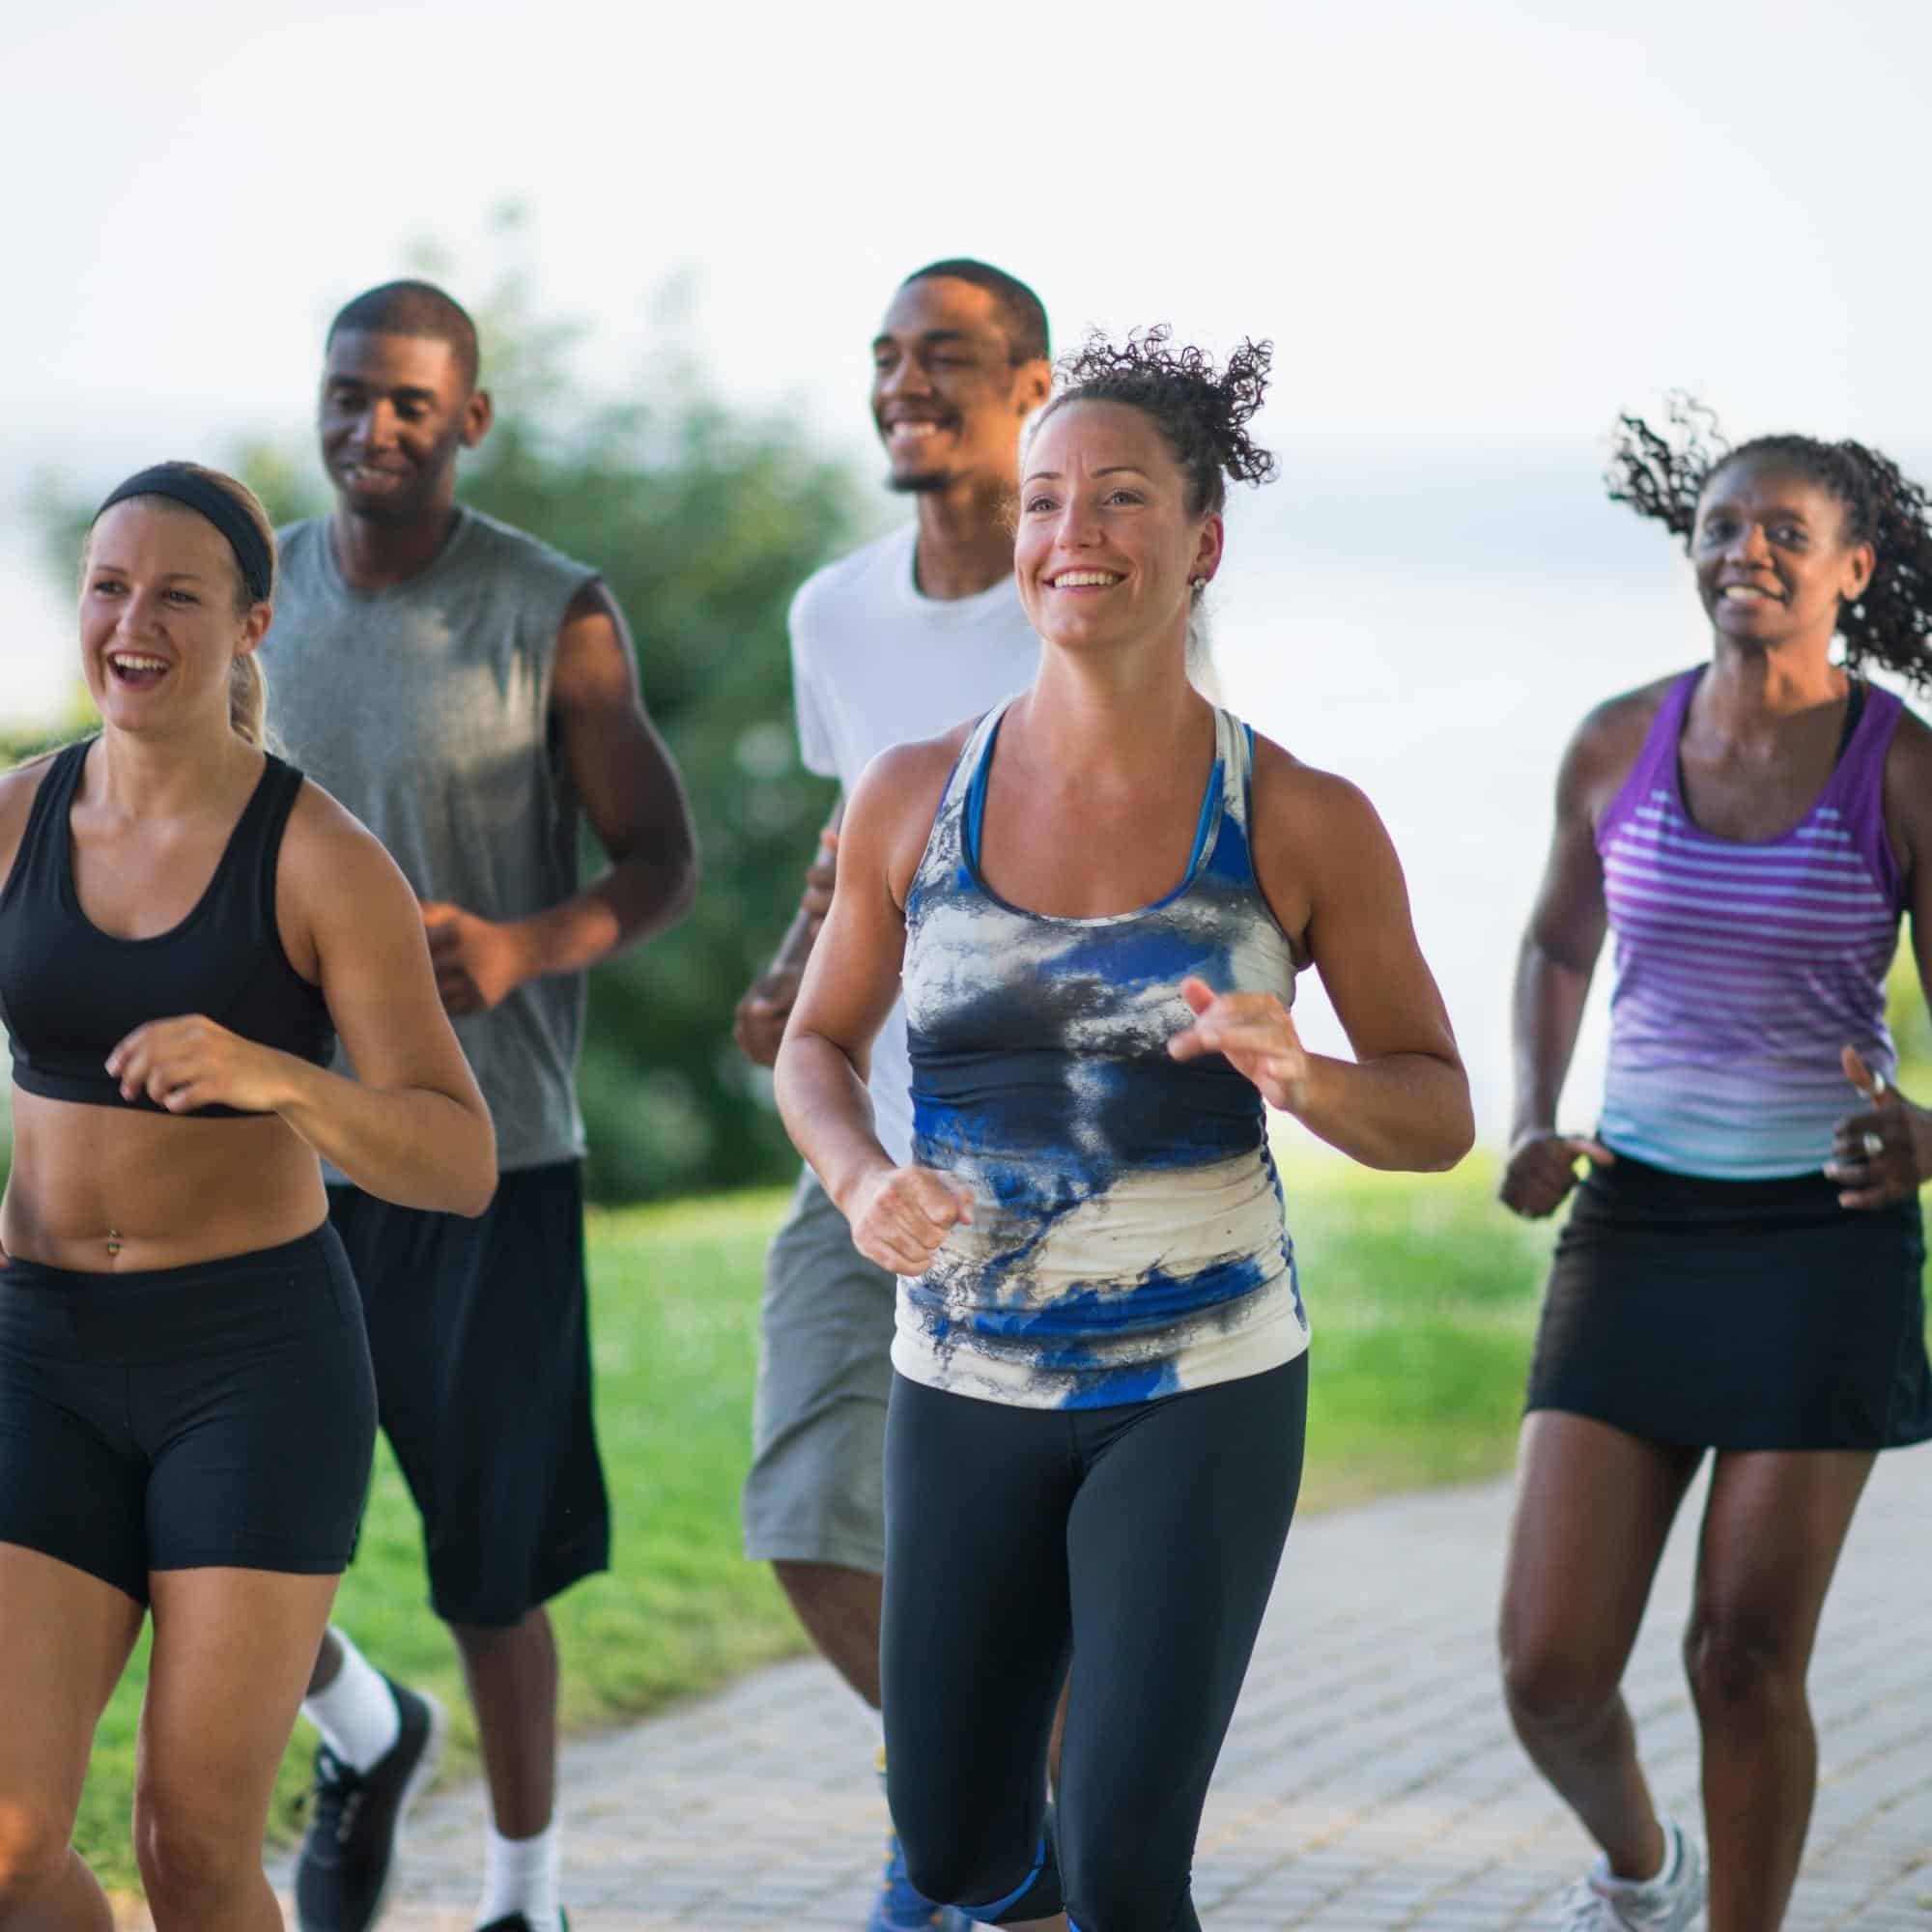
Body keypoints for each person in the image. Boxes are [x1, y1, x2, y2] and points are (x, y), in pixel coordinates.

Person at [775, 328, 1472, 1932]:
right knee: (957, 1851)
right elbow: (816, 1044)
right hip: (961, 1380)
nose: (1072, 532)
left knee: (1122, 1866)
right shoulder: (908, 799)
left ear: (1201, 542)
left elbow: (1436, 1105)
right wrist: (860, 1172)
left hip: (1204, 1385)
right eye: (1043, 502)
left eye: (1120, 499)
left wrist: (1307, 1078)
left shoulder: (1298, 818)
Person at [257, 281, 698, 1932]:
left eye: (413, 405)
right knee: (219, 1526)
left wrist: (529, 943)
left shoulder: (552, 611)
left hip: (488, 1162)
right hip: (285, 1152)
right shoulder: (262, 593)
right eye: (351, 394)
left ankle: (527, 1897)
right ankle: (364, 1732)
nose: (375, 429)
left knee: (491, 1566)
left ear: (471, 420)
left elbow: (663, 860)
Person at [0, 462, 495, 1932]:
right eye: (107, 587)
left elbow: (455, 1158)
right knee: (12, 1843)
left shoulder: (324, 861)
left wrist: (282, 1079)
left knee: (194, 1850)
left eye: (177, 595)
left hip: (252, 1367)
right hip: (39, 1353)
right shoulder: (19, 817)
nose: (132, 622)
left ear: (251, 625)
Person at [1495, 404, 1932, 1932]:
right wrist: (1536, 1113)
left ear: (1853, 570)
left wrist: (1931, 1130)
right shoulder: (1622, 739)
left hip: (1827, 1242)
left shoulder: (1904, 771)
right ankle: (1641, 1872)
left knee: (1741, 1654)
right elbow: (1559, 940)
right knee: (1547, 1665)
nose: (1743, 552)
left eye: (1783, 533)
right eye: (1721, 528)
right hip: (1638, 1227)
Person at [733, 258, 1054, 1932]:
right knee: (806, 1509)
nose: (902, 386)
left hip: (1050, 1156)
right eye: (884, 360)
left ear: (1031, 380)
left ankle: (986, 1848)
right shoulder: (835, 612)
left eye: (943, 358)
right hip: (861, 1131)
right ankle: (984, 1810)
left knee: (1032, 1545)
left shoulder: (1091, 593)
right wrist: (797, 969)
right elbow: (845, 839)